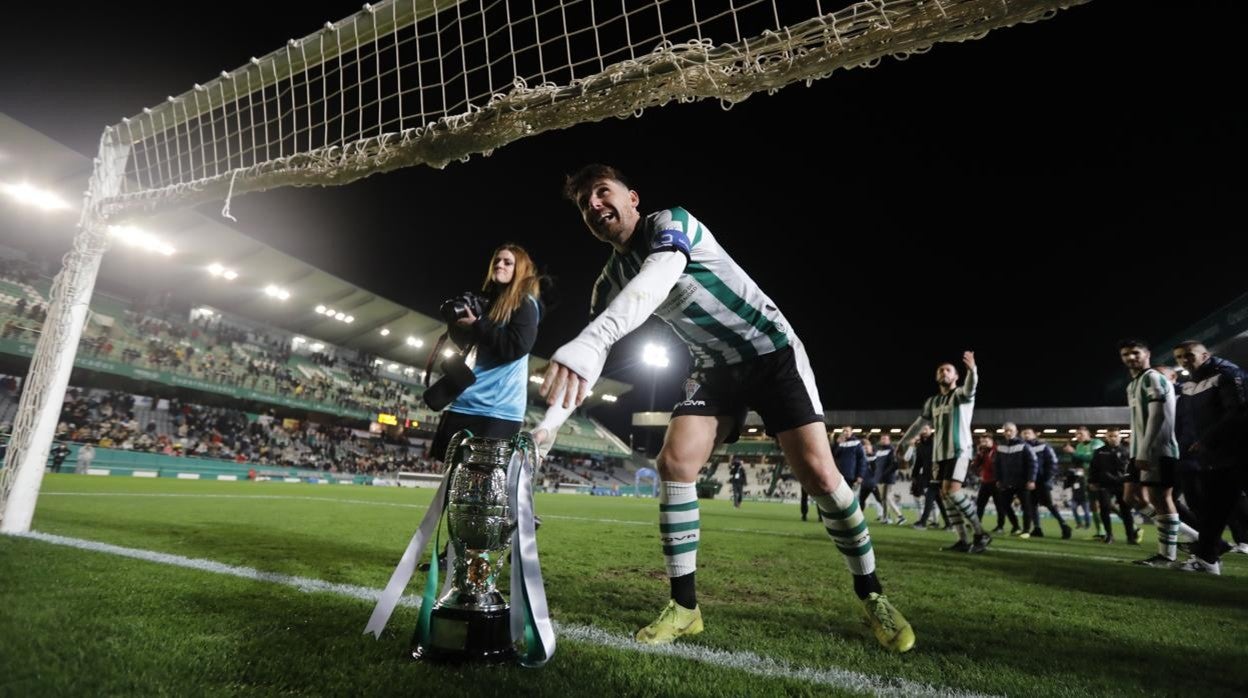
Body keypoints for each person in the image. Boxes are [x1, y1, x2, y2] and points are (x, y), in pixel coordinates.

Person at [533, 164, 913, 652]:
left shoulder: (672, 222)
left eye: (602, 192)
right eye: (584, 204)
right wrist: (548, 429)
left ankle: (873, 594)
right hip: (713, 368)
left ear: (633, 198)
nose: (594, 205)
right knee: (674, 463)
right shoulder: (609, 281)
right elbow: (589, 362)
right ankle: (685, 607)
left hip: (771, 352)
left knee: (820, 476)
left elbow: (658, 277)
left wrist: (595, 337)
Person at [419, 243, 543, 573]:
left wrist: (478, 324)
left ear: (521, 269)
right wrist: (458, 325)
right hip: (466, 401)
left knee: (484, 489)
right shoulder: (484, 303)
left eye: (508, 262)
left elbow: (515, 347)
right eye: (497, 261)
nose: (500, 265)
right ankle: (460, 549)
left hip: (498, 410)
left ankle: (501, 532)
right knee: (458, 485)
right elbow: (469, 344)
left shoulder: (526, 305)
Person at [899, 352, 990, 553]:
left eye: (948, 370)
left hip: (959, 450)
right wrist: (904, 442)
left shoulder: (961, 395)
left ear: (956, 376)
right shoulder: (932, 402)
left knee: (952, 492)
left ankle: (980, 532)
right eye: (940, 370)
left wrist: (972, 370)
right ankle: (962, 540)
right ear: (936, 376)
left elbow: (971, 386)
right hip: (939, 454)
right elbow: (919, 424)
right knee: (944, 494)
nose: (944, 372)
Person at [1170, 341, 1248, 574]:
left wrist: (1207, 440)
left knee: (1217, 508)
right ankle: (1207, 560)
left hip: (1236, 452)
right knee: (1213, 509)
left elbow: (1238, 412)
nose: (1184, 360)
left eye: (1189, 355)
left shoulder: (1228, 374)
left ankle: (1209, 557)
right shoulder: (1189, 385)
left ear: (1204, 355)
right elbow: (1187, 422)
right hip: (1212, 457)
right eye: (1179, 357)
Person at [1118, 339, 1184, 567]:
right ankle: (1190, 536)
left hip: (1158, 449)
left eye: (1135, 353)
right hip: (1139, 450)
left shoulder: (1153, 377)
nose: (1130, 357)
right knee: (1130, 497)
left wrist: (1145, 449)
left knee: (1160, 499)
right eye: (1125, 354)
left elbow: (1158, 415)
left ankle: (1167, 555)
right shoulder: (1132, 385)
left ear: (1147, 354)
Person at [1022, 428, 1072, 539]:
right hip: (1029, 481)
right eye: (1024, 433)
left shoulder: (1043, 446)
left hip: (1041, 481)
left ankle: (1064, 525)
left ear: (1035, 434)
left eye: (1028, 433)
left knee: (1048, 504)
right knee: (1032, 505)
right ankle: (1037, 528)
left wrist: (1046, 478)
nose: (1026, 435)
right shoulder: (1023, 448)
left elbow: (1053, 462)